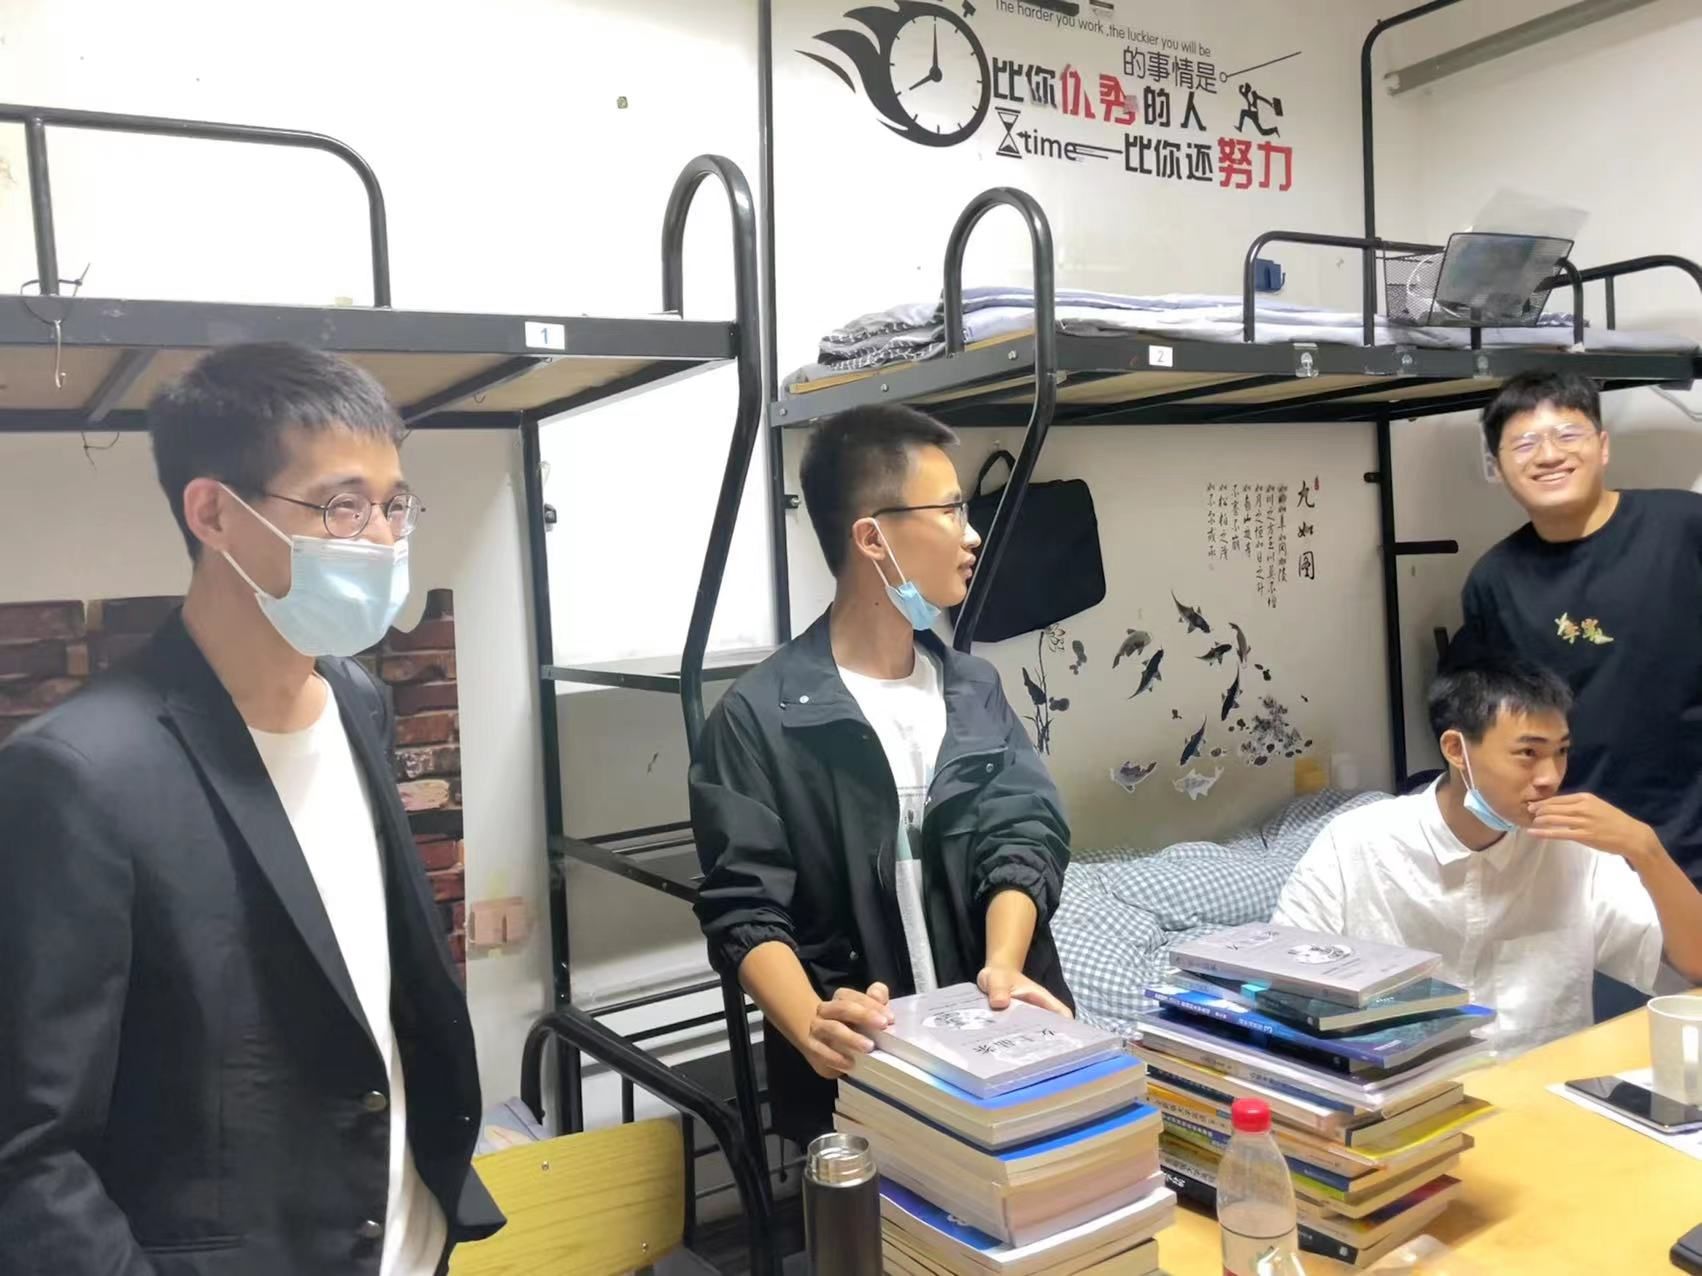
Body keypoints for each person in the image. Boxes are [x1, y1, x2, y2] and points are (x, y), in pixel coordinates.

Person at [0, 343, 502, 1274]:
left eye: (395, 505)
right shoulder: (79, 775)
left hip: (405, 1239)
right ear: (214, 513)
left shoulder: (356, 699)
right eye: (342, 506)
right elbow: (29, 1152)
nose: (382, 539)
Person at [690, 404, 1074, 1144]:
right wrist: (811, 1022)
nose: (971, 534)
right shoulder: (757, 718)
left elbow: (1023, 834)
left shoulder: (974, 688)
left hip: (1003, 1053)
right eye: (951, 509)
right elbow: (744, 906)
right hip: (861, 1083)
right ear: (872, 538)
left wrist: (1002, 968)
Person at [1273, 657, 1702, 1058]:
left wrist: (1647, 850)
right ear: (1456, 750)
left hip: (1542, 1093)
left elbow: (1696, 966)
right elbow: (1278, 988)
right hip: (1402, 1093)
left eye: (1561, 752)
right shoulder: (1356, 843)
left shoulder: (1572, 846)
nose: (1550, 777)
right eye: (1528, 753)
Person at [1456, 370, 1702, 884]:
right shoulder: (1493, 581)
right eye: (1524, 443)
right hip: (1571, 850)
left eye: (1567, 435)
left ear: (1602, 446)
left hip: (1691, 832)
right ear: (1497, 466)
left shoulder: (1683, 526)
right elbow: (1486, 722)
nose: (1549, 455)